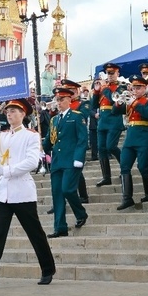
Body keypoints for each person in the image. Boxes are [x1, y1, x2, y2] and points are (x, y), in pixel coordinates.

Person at [0, 98, 56, 289]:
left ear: (23, 115)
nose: (9, 114)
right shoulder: (2, 135)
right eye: (7, 111)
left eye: (14, 111)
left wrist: (8, 170)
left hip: (22, 192)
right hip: (3, 193)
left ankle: (48, 269)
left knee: (35, 234)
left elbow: (32, 162)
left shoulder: (30, 135)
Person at [43, 88, 89, 238]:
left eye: (62, 99)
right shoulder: (54, 120)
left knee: (68, 190)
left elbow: (82, 140)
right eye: (57, 100)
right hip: (57, 161)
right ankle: (60, 227)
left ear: (70, 100)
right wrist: (40, 147)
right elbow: (50, 140)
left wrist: (78, 158)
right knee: (57, 194)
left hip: (71, 160)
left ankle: (80, 213)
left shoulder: (77, 116)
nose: (59, 103)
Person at [113, 75, 148, 210]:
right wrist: (119, 102)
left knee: (143, 167)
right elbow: (115, 111)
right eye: (134, 87)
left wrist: (135, 103)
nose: (135, 90)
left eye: (139, 87)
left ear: (145, 88)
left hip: (145, 137)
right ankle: (127, 198)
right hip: (130, 138)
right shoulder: (130, 100)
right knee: (124, 166)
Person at [91, 63, 126, 187]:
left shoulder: (121, 88)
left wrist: (104, 88)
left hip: (114, 120)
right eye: (108, 73)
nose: (110, 75)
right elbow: (94, 105)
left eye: (112, 73)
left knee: (111, 146)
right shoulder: (103, 87)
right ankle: (106, 177)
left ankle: (125, 170)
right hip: (103, 121)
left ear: (118, 74)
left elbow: (113, 100)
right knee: (101, 149)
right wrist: (96, 91)